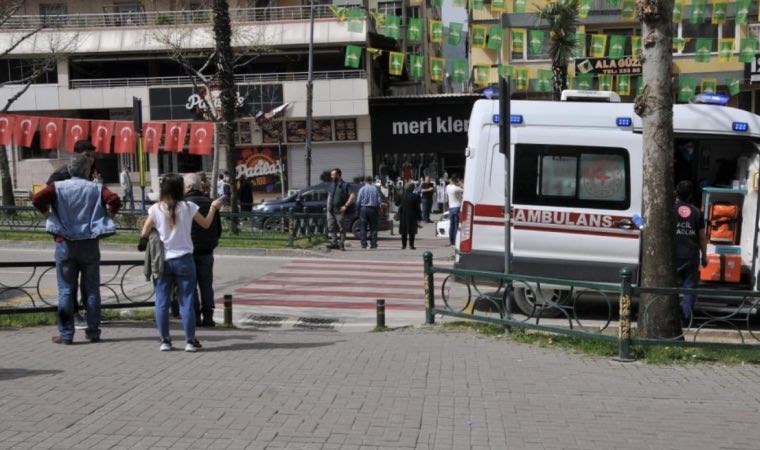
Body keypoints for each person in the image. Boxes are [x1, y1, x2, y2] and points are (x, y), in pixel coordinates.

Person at [32, 154, 121, 345]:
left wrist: (47, 213)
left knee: (65, 290)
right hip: (89, 243)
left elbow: (37, 198)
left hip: (64, 243)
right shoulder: (96, 188)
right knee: (91, 290)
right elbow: (114, 199)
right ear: (87, 171)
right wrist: (109, 215)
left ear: (70, 170)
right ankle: (94, 331)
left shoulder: (57, 187)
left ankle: (66, 334)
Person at [138, 173, 224, 352]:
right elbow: (207, 224)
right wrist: (214, 207)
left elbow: (144, 232)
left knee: (162, 301)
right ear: (180, 189)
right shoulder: (188, 206)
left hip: (163, 261)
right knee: (186, 300)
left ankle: (165, 341)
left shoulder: (155, 208)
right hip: (185, 260)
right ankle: (190, 341)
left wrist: (148, 239)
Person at [46, 139, 98, 330]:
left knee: (87, 286)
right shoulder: (61, 175)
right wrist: (52, 217)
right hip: (67, 235)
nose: (91, 160)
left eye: (93, 156)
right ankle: (76, 317)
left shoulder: (91, 171)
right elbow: (42, 197)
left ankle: (83, 323)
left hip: (86, 234)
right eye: (88, 156)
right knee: (69, 287)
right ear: (78, 155)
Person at [184, 173, 222, 327]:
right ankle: (208, 316)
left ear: (188, 187)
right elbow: (218, 228)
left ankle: (195, 316)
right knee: (206, 284)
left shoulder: (184, 204)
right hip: (207, 250)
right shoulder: (211, 203)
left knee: (190, 285)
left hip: (188, 251)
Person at [674, 180, 708, 325]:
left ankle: (671, 316)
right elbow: (702, 237)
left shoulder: (669, 210)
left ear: (676, 193)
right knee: (689, 288)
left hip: (672, 255)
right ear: (691, 195)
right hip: (691, 256)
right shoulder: (696, 212)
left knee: (670, 287)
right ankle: (686, 319)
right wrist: (704, 257)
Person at [326, 168, 356, 251]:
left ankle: (341, 244)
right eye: (331, 175)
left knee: (342, 228)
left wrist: (345, 206)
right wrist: (328, 207)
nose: (331, 176)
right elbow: (329, 195)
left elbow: (352, 195)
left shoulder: (345, 185)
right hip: (331, 210)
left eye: (333, 175)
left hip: (339, 210)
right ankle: (334, 242)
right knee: (331, 227)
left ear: (338, 175)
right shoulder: (332, 184)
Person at [356, 175, 383, 249]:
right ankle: (373, 244)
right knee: (374, 227)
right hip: (373, 209)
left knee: (363, 227)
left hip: (364, 209)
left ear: (365, 181)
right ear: (371, 181)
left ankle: (363, 244)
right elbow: (379, 200)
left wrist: (358, 209)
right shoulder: (375, 189)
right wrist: (380, 208)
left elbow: (358, 201)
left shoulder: (362, 189)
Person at [396, 181, 422, 250]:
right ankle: (411, 245)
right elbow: (418, 208)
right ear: (413, 188)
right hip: (412, 215)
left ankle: (403, 245)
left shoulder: (401, 195)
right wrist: (419, 217)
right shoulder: (415, 196)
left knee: (403, 230)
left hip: (403, 214)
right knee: (412, 231)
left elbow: (396, 203)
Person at [446, 176, 464, 246]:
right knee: (456, 225)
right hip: (457, 207)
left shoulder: (448, 187)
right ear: (456, 181)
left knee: (451, 225)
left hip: (451, 208)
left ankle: (451, 241)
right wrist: (461, 184)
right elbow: (465, 189)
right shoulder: (457, 188)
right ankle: (456, 240)